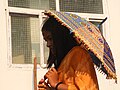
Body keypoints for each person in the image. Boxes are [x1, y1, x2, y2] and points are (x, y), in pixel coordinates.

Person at [38, 16, 99, 90]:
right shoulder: (63, 60)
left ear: (61, 37)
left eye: (50, 38)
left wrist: (56, 84)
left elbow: (86, 88)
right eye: (46, 40)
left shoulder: (79, 54)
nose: (48, 44)